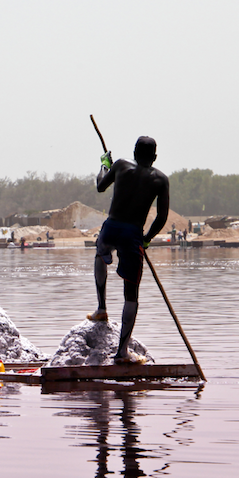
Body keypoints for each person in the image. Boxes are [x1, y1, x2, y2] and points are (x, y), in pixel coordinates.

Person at [88, 135, 169, 364]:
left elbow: (100, 186)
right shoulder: (161, 180)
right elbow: (162, 217)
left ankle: (101, 308)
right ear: (154, 157)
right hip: (133, 233)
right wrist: (147, 239)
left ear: (134, 153)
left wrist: (105, 165)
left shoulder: (121, 165)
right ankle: (122, 352)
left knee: (100, 254)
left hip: (112, 227)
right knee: (131, 293)